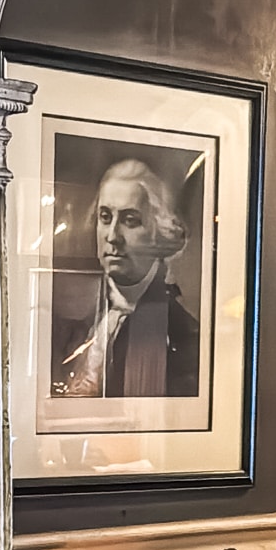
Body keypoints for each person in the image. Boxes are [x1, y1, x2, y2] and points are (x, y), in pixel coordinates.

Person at [51, 158, 200, 398]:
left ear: (159, 233)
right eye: (105, 217)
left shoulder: (184, 338)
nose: (112, 236)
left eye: (130, 220)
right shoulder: (69, 316)